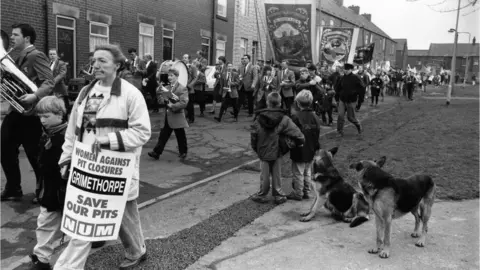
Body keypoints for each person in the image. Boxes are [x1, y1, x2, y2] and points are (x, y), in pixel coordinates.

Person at [55, 44, 151, 269]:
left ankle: (136, 250)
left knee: (125, 214)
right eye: (94, 60)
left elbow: (142, 132)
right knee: (85, 225)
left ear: (117, 65)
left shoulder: (130, 94)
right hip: (87, 167)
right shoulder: (86, 91)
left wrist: (109, 140)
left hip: (117, 169)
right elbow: (74, 129)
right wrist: (66, 158)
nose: (95, 65)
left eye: (102, 61)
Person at [1, 23, 54, 202]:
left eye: (16, 35)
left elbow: (49, 82)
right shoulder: (17, 57)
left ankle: (43, 190)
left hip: (31, 113)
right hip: (16, 111)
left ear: (27, 38)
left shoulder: (36, 55)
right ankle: (13, 188)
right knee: (5, 148)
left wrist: (34, 96)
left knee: (34, 153)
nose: (12, 38)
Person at [28, 96, 68, 269]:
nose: (42, 120)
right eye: (40, 117)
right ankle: (42, 258)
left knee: (69, 224)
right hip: (50, 187)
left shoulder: (66, 135)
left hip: (63, 187)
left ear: (60, 115)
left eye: (46, 116)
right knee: (45, 223)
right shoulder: (48, 133)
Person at [250, 92, 304, 204]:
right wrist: (299, 141)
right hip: (277, 149)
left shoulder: (259, 118)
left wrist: (255, 147)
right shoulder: (284, 118)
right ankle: (278, 194)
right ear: (280, 103)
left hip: (263, 149)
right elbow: (297, 132)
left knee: (264, 174)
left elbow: (254, 134)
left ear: (267, 102)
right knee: (277, 173)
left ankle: (262, 194)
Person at [287, 90, 321, 201]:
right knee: (308, 171)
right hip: (311, 147)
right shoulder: (315, 116)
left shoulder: (295, 117)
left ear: (297, 103)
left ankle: (298, 193)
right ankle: (306, 191)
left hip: (299, 148)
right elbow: (317, 132)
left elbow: (291, 133)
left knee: (298, 172)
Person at [148, 67, 189, 160]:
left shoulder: (182, 88)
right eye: (168, 76)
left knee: (180, 135)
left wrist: (172, 106)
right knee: (163, 135)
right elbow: (161, 101)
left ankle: (183, 152)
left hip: (177, 115)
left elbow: (184, 103)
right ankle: (156, 152)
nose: (169, 77)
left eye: (172, 75)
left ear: (177, 76)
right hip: (167, 115)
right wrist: (159, 93)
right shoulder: (166, 88)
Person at [336, 63, 363, 137]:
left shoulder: (356, 78)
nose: (345, 70)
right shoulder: (341, 78)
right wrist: (337, 98)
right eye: (344, 69)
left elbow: (362, 89)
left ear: (351, 70)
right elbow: (337, 88)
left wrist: (360, 101)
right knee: (340, 115)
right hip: (342, 99)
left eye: (347, 69)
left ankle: (358, 125)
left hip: (351, 100)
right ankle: (339, 131)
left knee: (350, 117)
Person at [48, 48, 69, 113]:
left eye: (54, 54)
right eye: (50, 54)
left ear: (57, 55)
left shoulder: (61, 63)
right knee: (52, 108)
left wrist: (53, 82)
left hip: (59, 90)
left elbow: (61, 74)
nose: (52, 55)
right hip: (50, 89)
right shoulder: (48, 64)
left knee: (61, 108)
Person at [183, 54, 197, 123]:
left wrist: (190, 85)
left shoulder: (192, 67)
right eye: (183, 58)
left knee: (190, 105)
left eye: (186, 58)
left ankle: (191, 118)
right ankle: (186, 117)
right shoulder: (182, 66)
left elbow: (195, 78)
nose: (184, 59)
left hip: (189, 89)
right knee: (184, 104)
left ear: (189, 59)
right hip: (182, 88)